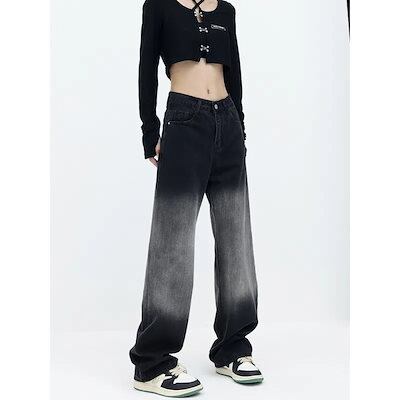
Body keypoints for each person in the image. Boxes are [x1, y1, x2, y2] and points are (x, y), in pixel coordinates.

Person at [130, 0, 262, 396]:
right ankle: (152, 363)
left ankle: (232, 348)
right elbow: (146, 66)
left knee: (236, 240)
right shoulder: (159, 6)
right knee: (172, 243)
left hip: (227, 122)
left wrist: (239, 129)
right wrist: (150, 131)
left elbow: (234, 74)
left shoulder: (226, 10)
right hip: (184, 121)